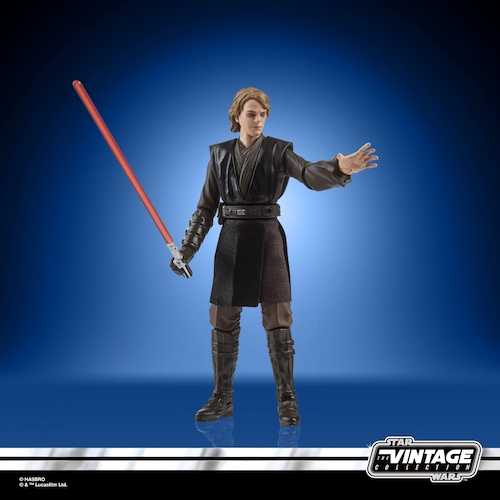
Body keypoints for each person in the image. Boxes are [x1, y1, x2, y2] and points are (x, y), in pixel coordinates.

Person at [170, 87, 377, 427]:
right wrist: (188, 249)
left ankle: (287, 398)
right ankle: (222, 397)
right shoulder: (219, 155)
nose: (258, 120)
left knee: (279, 319)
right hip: (231, 240)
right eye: (252, 114)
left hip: (267, 238)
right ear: (237, 116)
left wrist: (339, 167)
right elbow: (205, 208)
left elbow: (308, 173)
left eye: (263, 114)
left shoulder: (279, 151)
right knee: (222, 319)